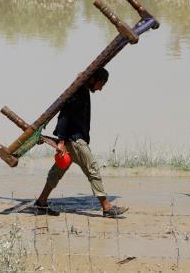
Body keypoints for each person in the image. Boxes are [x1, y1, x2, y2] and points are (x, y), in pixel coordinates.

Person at [34, 67, 128, 218]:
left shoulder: (81, 90)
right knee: (93, 170)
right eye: (101, 84)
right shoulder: (78, 92)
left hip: (71, 139)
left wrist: (62, 141)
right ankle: (107, 207)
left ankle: (41, 202)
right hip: (75, 140)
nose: (100, 88)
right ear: (93, 79)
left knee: (56, 173)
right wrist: (61, 141)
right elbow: (64, 116)